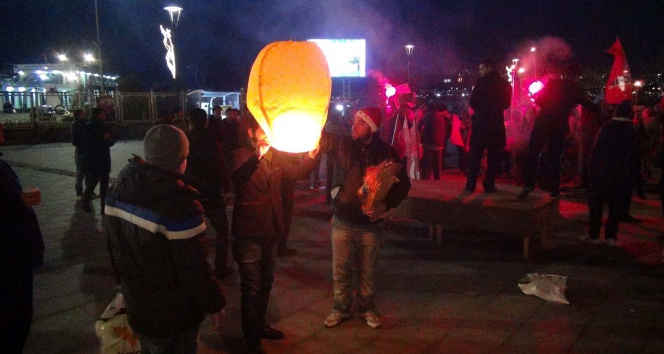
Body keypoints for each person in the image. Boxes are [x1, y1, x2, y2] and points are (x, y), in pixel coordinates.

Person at [104, 124, 226, 353]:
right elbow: (194, 267)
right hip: (174, 316)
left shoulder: (118, 188)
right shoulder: (181, 205)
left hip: (138, 307)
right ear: (182, 159)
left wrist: (122, 287)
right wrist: (214, 304)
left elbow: (114, 248)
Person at [230, 115, 318, 353]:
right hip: (248, 231)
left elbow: (297, 172)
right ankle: (251, 340)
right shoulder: (240, 155)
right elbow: (236, 178)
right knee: (251, 287)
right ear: (250, 132)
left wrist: (311, 156)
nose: (267, 133)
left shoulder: (275, 156)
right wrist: (257, 156)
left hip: (271, 230)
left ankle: (260, 325)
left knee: (266, 282)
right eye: (262, 129)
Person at [320, 107, 410, 329]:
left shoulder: (386, 153)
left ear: (372, 127)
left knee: (367, 270)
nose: (354, 125)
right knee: (340, 270)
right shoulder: (342, 145)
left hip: (370, 225)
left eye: (361, 122)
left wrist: (385, 205)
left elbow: (404, 185)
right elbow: (320, 139)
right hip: (342, 220)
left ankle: (366, 308)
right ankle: (340, 309)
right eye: (354, 121)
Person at [518, 64, 600, 199]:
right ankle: (554, 189)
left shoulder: (552, 84)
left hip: (543, 122)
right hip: (559, 125)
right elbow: (589, 105)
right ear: (575, 76)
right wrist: (602, 109)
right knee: (554, 157)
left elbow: (539, 101)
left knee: (533, 152)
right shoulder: (574, 88)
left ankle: (528, 185)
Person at [0, 140, 44, 354]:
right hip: (8, 258)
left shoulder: (2, 166)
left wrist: (20, 200)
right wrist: (18, 203)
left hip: (17, 254)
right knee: (14, 319)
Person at [185, 108, 234, 279]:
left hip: (190, 193)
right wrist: (227, 190)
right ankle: (220, 267)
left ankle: (196, 267)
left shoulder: (185, 141)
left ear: (190, 122)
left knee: (192, 231)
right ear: (206, 122)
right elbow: (222, 167)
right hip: (211, 193)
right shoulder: (212, 141)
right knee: (222, 231)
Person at [582, 101, 638, 246]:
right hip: (621, 172)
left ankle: (593, 235)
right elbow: (635, 154)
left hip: (601, 172)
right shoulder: (633, 130)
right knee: (615, 206)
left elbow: (596, 151)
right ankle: (611, 236)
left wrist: (592, 170)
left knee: (596, 205)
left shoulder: (607, 128)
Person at [465, 59, 512, 193]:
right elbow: (506, 104)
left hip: (480, 122)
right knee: (493, 156)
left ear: (488, 68)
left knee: (475, 156)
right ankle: (489, 184)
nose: (480, 72)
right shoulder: (505, 83)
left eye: (481, 69)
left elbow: (473, 101)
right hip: (496, 123)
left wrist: (481, 108)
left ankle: (471, 184)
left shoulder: (481, 82)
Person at [81, 107, 115, 213]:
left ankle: (98, 204)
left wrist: (108, 139)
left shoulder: (98, 125)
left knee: (97, 181)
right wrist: (105, 139)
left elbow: (110, 138)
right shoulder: (92, 126)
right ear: (98, 114)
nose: (105, 115)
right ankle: (100, 205)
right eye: (103, 113)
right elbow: (92, 141)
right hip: (98, 157)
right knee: (98, 181)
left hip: (96, 157)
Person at [418, 102, 448, 180]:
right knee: (437, 164)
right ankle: (437, 178)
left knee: (427, 162)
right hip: (439, 143)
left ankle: (426, 179)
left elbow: (419, 125)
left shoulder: (428, 116)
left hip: (429, 142)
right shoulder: (441, 117)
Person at [71, 108, 88, 200]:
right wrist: (83, 144)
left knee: (88, 173)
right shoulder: (76, 125)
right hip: (81, 152)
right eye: (82, 114)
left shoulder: (85, 123)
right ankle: (79, 193)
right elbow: (74, 141)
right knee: (80, 173)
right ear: (78, 115)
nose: (85, 114)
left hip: (87, 152)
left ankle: (88, 191)